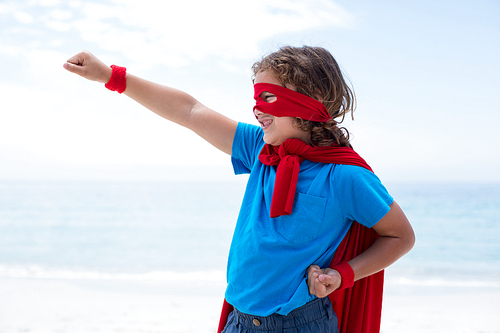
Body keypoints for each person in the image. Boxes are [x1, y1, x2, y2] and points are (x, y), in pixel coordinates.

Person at [64, 46, 415, 333]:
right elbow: (189, 110)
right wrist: (112, 76)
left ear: (313, 99)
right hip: (240, 321)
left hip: (299, 324)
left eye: (269, 97)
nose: (257, 109)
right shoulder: (260, 151)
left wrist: (342, 275)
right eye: (255, 96)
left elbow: (400, 236)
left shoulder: (345, 176)